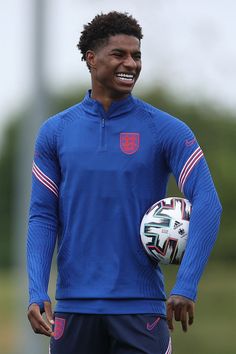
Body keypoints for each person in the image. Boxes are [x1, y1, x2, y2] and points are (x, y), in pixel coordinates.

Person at [27, 11, 222, 354]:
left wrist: (187, 285)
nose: (131, 64)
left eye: (137, 55)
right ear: (91, 58)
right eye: (119, 54)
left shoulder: (167, 130)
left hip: (141, 308)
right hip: (74, 308)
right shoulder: (55, 132)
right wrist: (37, 290)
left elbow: (207, 200)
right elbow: (43, 216)